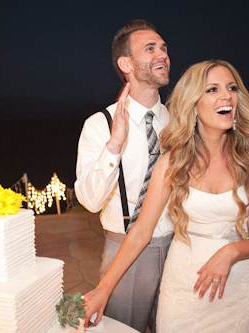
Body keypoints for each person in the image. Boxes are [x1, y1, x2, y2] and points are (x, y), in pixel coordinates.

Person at [83, 59, 249, 332]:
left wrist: (232, 251)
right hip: (184, 287)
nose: (226, 95)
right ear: (193, 104)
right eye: (212, 89)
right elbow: (141, 231)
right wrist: (103, 289)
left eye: (232, 88)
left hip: (242, 284)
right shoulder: (172, 163)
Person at [75, 19, 174, 332]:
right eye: (150, 48)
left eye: (164, 48)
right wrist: (114, 145)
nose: (163, 55)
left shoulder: (179, 122)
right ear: (125, 63)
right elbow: (90, 201)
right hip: (126, 253)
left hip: (180, 250)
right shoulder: (99, 125)